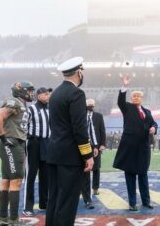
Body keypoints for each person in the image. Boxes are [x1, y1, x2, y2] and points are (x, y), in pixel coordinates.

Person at [46, 56, 94, 226]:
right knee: (67, 201)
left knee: (54, 198)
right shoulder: (77, 94)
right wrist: (88, 155)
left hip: (54, 153)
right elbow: (80, 129)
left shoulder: (55, 93)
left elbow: (54, 124)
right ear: (79, 72)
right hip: (70, 156)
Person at [0, 81, 35, 226]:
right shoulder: (14, 103)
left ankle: (3, 219)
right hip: (12, 144)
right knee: (16, 182)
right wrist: (4, 139)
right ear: (20, 91)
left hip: (12, 144)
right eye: (28, 90)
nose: (31, 93)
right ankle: (14, 220)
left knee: (6, 181)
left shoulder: (21, 105)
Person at [113, 74, 158, 211]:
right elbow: (120, 100)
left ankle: (146, 201)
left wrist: (154, 128)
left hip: (144, 148)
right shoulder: (127, 108)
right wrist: (125, 86)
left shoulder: (147, 111)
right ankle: (132, 203)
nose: (135, 98)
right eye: (133, 96)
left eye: (138, 96)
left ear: (141, 98)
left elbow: (153, 123)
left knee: (143, 175)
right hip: (130, 147)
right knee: (130, 175)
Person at [23, 87, 52, 216]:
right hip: (34, 143)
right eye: (46, 94)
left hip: (47, 143)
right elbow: (23, 126)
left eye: (48, 94)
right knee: (31, 175)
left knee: (45, 175)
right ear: (38, 95)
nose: (48, 96)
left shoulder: (50, 109)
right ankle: (28, 206)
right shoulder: (31, 109)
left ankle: (44, 203)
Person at [80, 98, 106, 209]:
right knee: (85, 169)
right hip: (84, 146)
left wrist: (102, 144)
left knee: (96, 168)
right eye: (89, 104)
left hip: (96, 145)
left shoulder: (98, 116)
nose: (91, 106)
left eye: (92, 105)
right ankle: (84, 192)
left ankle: (95, 188)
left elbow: (102, 130)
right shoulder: (81, 116)